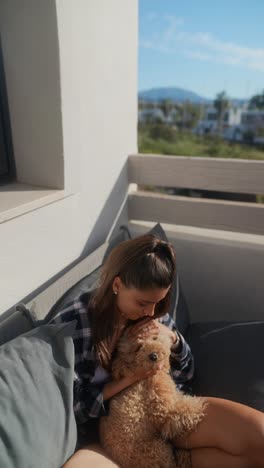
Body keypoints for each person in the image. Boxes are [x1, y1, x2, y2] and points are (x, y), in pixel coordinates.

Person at [52, 234, 264, 468]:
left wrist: (173, 339)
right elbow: (75, 406)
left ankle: (179, 461)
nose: (150, 312)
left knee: (260, 436)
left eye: (158, 302)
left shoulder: (154, 313)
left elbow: (186, 376)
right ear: (116, 285)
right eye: (142, 303)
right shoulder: (75, 322)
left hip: (166, 413)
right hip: (110, 437)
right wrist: (131, 378)